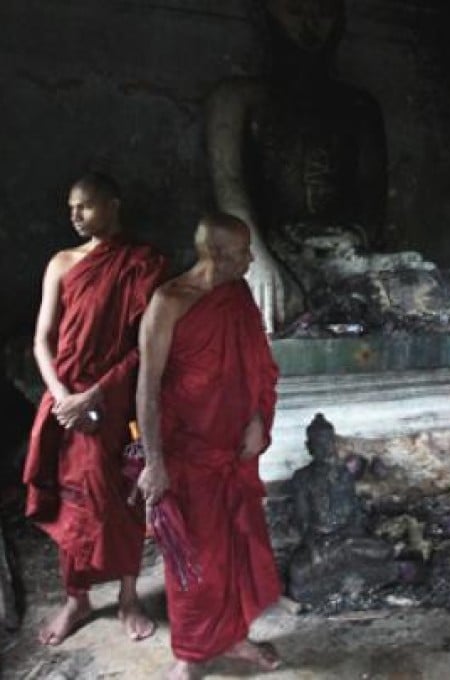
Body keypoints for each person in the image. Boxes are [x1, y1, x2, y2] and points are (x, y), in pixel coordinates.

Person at [23, 172, 167, 645]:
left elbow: (143, 345)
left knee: (121, 497)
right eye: (70, 208)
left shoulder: (142, 263)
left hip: (114, 399)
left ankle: (129, 598)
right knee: (72, 502)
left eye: (84, 206)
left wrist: (96, 393)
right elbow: (42, 341)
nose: (75, 216)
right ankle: (76, 599)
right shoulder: (62, 263)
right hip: (64, 400)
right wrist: (63, 395)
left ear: (113, 204)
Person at [135, 213, 281, 679]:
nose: (251, 259)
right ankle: (193, 654)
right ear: (217, 254)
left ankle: (234, 638)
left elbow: (257, 362)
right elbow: (147, 389)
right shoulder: (169, 302)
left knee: (236, 549)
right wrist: (154, 462)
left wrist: (257, 416)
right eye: (243, 252)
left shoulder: (236, 295)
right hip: (188, 456)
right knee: (194, 563)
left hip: (233, 453)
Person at [207, 0, 387, 333]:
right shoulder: (235, 98)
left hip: (344, 259)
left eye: (322, 14)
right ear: (267, 15)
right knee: (279, 303)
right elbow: (229, 186)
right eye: (295, 12)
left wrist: (353, 238)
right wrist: (257, 257)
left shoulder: (359, 107)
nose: (309, 27)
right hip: (271, 253)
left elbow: (372, 195)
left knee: (426, 294)